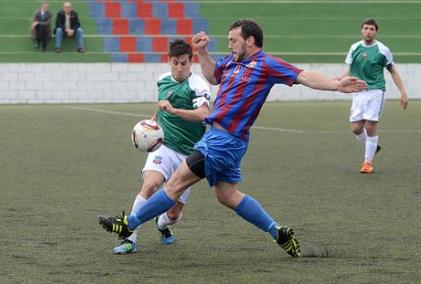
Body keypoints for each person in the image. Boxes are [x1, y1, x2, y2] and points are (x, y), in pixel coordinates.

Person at [98, 19, 367, 257]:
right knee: (227, 195)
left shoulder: (267, 64)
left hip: (223, 141)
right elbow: (213, 76)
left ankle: (129, 224)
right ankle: (278, 232)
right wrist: (202, 51)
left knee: (175, 183)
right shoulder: (232, 63)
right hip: (224, 140)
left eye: (233, 40)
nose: (229, 45)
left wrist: (335, 84)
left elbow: (304, 76)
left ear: (250, 41)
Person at [110, 39, 211, 254]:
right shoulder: (162, 80)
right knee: (150, 186)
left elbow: (204, 114)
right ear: (169, 61)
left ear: (190, 62)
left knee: (173, 215)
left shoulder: (198, 85)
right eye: (175, 63)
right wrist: (152, 125)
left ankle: (161, 224)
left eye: (184, 63)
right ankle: (129, 238)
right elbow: (161, 106)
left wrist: (174, 111)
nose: (180, 68)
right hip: (164, 148)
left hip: (189, 155)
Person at [339, 19, 408, 174]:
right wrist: (338, 80)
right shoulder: (354, 47)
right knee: (356, 129)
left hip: (376, 91)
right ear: (361, 30)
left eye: (372, 29)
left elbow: (393, 71)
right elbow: (348, 69)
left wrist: (403, 92)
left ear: (376, 32)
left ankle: (367, 163)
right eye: (366, 28)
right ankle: (373, 147)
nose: (368, 31)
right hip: (357, 91)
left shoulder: (383, 50)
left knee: (370, 127)